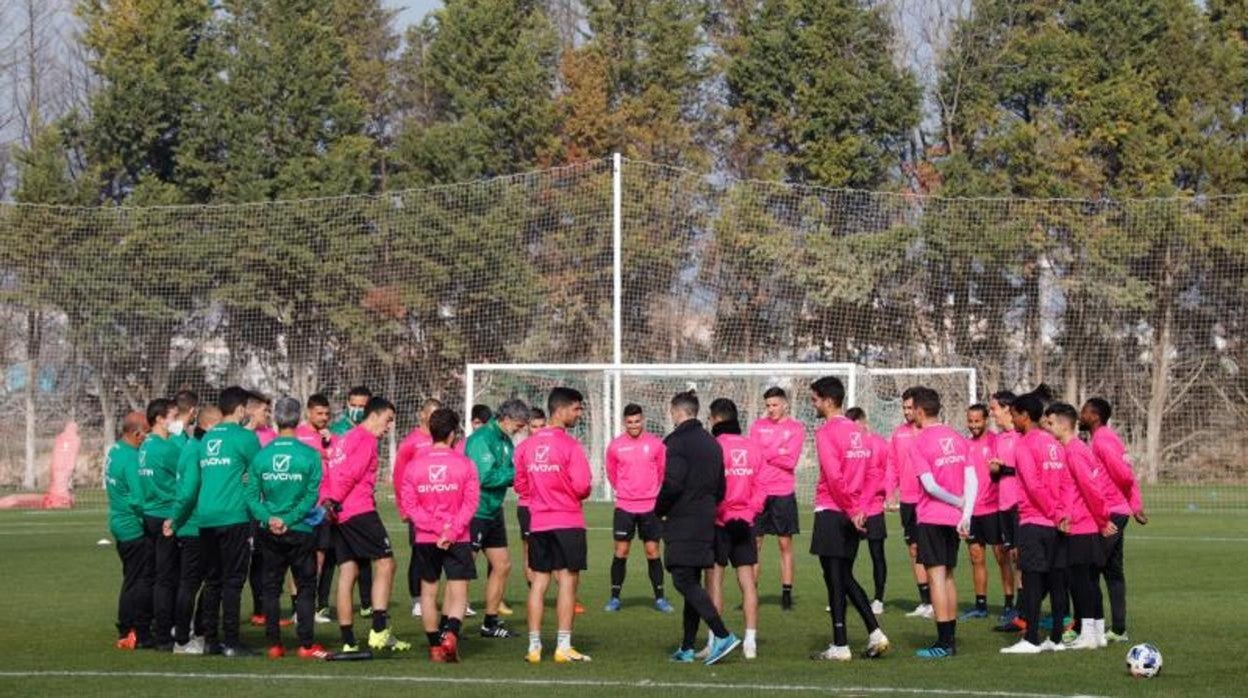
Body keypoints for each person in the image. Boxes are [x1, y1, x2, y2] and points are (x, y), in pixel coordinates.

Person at [166, 386, 262, 656]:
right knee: (233, 581)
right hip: (234, 516)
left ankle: (210, 640)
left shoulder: (204, 440)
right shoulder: (245, 437)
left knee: (212, 580)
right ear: (241, 410)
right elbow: (260, 474)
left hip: (205, 518)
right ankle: (231, 642)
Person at [808, 378, 890, 662]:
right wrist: (861, 508)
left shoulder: (826, 432)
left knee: (835, 578)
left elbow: (833, 477)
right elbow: (872, 476)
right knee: (843, 576)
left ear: (828, 401)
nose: (813, 404)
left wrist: (853, 508)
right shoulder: (860, 433)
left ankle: (841, 645)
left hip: (834, 511)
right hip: (853, 513)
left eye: (815, 399)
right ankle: (872, 634)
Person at [323, 396, 411, 653]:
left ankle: (349, 641)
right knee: (386, 562)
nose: (389, 426)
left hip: (338, 514)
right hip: (358, 510)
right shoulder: (365, 440)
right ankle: (379, 629)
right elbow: (350, 474)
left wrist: (328, 501)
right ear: (374, 415)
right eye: (388, 420)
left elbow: (330, 471)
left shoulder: (344, 439)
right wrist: (335, 500)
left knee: (348, 572)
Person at [514, 387, 593, 664]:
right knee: (568, 583)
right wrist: (567, 493)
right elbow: (583, 486)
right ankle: (563, 646)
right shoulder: (570, 445)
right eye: (577, 408)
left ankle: (534, 647)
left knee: (539, 583)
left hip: (538, 522)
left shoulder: (527, 446)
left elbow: (521, 485)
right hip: (567, 520)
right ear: (560, 410)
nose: (579, 413)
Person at [660, 390, 739, 665]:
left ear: (676, 412)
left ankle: (722, 634)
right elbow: (721, 488)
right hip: (705, 520)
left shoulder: (676, 442)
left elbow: (672, 483)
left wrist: (659, 509)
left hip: (683, 520)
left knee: (682, 579)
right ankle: (687, 646)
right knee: (691, 580)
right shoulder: (712, 442)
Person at [245, 397, 328, 660]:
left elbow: (249, 496)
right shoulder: (310, 455)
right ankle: (305, 644)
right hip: (300, 529)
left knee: (271, 587)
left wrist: (270, 518)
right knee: (305, 587)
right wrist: (289, 519)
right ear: (299, 418)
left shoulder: (262, 455)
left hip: (269, 531)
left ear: (276, 419)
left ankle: (274, 644)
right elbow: (311, 496)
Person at [400, 408, 480, 663]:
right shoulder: (465, 464)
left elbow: (410, 506)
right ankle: (451, 634)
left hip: (426, 538)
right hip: (458, 537)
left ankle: (435, 647)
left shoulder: (414, 466)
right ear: (452, 434)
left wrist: (435, 529)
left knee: (428, 593)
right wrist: (450, 530)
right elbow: (471, 503)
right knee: (458, 591)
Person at [1000, 392, 1071, 655]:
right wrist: (1062, 514)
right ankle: (1056, 639)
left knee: (1032, 581)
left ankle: (1030, 639)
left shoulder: (1025, 444)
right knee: (1056, 580)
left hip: (1034, 521)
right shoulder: (1053, 443)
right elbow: (1065, 482)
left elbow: (1032, 485)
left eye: (1014, 414)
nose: (1012, 419)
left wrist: (1053, 513)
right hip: (1057, 524)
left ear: (1024, 416)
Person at [908, 387, 976, 659]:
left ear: (921, 412)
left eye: (912, 408)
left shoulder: (919, 442)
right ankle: (949, 640)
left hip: (934, 516)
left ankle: (944, 643)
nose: (910, 413)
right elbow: (972, 479)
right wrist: (966, 513)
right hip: (955, 520)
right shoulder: (958, 438)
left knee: (936, 577)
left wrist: (957, 503)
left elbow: (930, 485)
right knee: (948, 577)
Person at [1046, 402, 1117, 650]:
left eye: (1051, 422)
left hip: (1082, 526)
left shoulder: (1075, 451)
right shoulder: (1076, 449)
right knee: (1088, 581)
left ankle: (1088, 634)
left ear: (1064, 425)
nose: (1048, 427)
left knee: (1080, 582)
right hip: (1083, 523)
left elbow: (1091, 488)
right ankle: (1097, 632)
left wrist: (1102, 519)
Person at [1080, 397, 1147, 643]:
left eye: (1084, 411)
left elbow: (1124, 475)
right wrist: (1135, 505)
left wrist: (1131, 504)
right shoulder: (1108, 437)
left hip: (1111, 513)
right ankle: (1118, 629)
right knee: (1112, 571)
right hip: (1119, 510)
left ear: (1095, 416)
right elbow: (1127, 474)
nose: (1081, 414)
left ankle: (1089, 628)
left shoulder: (1102, 440)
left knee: (1090, 568)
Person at [465, 398, 529, 638]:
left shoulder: (505, 439)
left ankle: (490, 623)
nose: (520, 430)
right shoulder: (483, 439)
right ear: (507, 419)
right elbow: (485, 477)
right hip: (475, 511)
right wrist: (517, 474)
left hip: (493, 510)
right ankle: (447, 625)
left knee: (502, 565)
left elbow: (507, 470)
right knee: (462, 570)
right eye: (519, 425)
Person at [705, 398, 763, 659]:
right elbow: (762, 487)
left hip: (720, 524)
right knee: (748, 582)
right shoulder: (753, 447)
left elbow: (711, 490)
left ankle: (715, 640)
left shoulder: (714, 447)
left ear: (716, 420)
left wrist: (724, 514)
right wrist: (748, 513)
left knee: (714, 581)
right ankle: (750, 642)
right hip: (745, 524)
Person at [604, 403, 672, 613]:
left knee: (652, 551)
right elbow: (612, 473)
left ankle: (660, 598)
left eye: (637, 421)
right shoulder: (615, 446)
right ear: (625, 422)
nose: (634, 425)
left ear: (643, 420)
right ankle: (615, 598)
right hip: (625, 506)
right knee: (621, 551)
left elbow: (662, 471)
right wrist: (626, 491)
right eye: (630, 422)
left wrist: (649, 492)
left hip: (650, 506)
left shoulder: (656, 444)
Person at [394, 398, 455, 619]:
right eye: (432, 415)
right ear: (422, 415)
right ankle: (417, 599)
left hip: (445, 510)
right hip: (419, 510)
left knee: (449, 552)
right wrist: (403, 507)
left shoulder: (446, 441)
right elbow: (399, 476)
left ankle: (453, 599)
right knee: (419, 554)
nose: (436, 420)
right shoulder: (410, 443)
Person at [171, 405, 222, 654]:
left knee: (206, 581)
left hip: (201, 525)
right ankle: (181, 639)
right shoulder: (195, 450)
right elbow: (188, 491)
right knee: (190, 583)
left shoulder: (195, 447)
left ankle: (200, 631)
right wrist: (175, 519)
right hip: (193, 527)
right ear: (211, 425)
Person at [749, 386, 805, 611]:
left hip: (783, 493)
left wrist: (768, 453)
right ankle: (751, 592)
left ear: (784, 404)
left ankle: (786, 593)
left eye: (775, 405)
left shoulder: (796, 428)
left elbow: (791, 461)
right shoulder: (757, 426)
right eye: (768, 405)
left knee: (784, 544)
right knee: (755, 544)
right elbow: (754, 456)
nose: (771, 409)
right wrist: (779, 451)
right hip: (760, 492)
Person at [138, 397, 183, 650]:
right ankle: (165, 634)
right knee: (167, 578)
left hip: (150, 514)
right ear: (159, 419)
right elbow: (187, 462)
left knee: (153, 575)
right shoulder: (166, 448)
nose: (177, 421)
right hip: (167, 515)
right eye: (174, 416)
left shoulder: (146, 445)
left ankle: (147, 628)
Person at [108, 411, 153, 650]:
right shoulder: (131, 459)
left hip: (117, 520)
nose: (146, 438)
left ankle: (129, 627)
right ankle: (129, 629)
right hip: (131, 526)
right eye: (145, 433)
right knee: (138, 580)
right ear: (136, 433)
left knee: (132, 577)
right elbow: (138, 499)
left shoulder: (115, 451)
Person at [887, 388, 931, 619]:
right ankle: (925, 602)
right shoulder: (898, 434)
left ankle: (937, 599)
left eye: (910, 408)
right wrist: (889, 493)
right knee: (914, 549)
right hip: (907, 500)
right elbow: (892, 464)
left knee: (930, 550)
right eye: (903, 408)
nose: (906, 412)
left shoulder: (931, 432)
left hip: (930, 501)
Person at [961, 403, 1006, 622]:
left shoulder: (997, 441)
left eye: (977, 421)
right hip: (973, 511)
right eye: (970, 421)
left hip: (994, 508)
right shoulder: (965, 445)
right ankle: (980, 605)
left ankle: (1009, 604)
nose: (973, 425)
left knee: (1002, 556)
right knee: (976, 557)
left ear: (986, 419)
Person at [294, 394, 337, 624]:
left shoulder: (331, 438)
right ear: (308, 412)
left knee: (319, 557)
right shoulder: (298, 436)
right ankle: (297, 606)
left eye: (327, 414)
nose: (324, 418)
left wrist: (330, 445)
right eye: (319, 413)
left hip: (323, 506)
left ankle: (310, 606)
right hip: (302, 505)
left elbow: (336, 466)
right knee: (299, 557)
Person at [847, 407, 888, 615]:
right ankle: (845, 595)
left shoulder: (879, 443)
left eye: (856, 426)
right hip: (852, 509)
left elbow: (883, 475)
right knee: (846, 555)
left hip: (873, 508)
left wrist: (881, 495)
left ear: (864, 422)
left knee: (877, 554)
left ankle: (879, 599)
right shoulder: (848, 444)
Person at [987, 391, 1021, 630]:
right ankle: (1018, 607)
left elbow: (1026, 471)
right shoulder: (999, 438)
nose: (992, 413)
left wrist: (1004, 469)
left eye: (994, 408)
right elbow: (998, 473)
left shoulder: (1022, 436)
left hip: (1020, 506)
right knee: (1009, 557)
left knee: (1021, 558)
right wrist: (995, 470)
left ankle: (1025, 610)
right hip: (1003, 504)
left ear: (1008, 409)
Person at [517, 406, 547, 587]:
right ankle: (534, 592)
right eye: (535, 426)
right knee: (529, 550)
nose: (538, 431)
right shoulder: (521, 449)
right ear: (528, 427)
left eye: (542, 426)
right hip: (528, 506)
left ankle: (566, 596)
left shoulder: (553, 447)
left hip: (549, 506)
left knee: (554, 551)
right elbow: (519, 482)